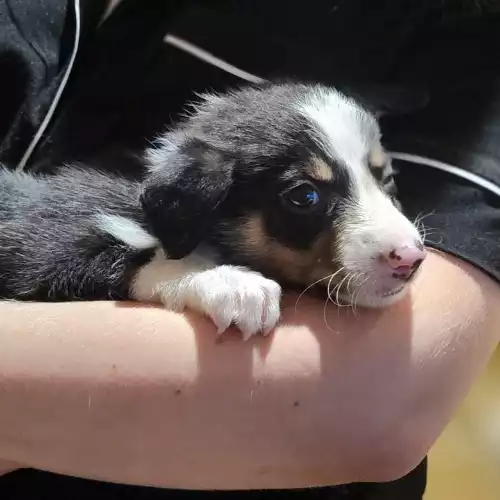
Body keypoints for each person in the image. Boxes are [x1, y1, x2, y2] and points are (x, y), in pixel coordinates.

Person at [0, 1, 499, 499]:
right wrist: (174, 273)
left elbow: (379, 410)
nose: (408, 247)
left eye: (382, 180)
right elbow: (50, 245)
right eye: (305, 197)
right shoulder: (138, 218)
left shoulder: (462, 37)